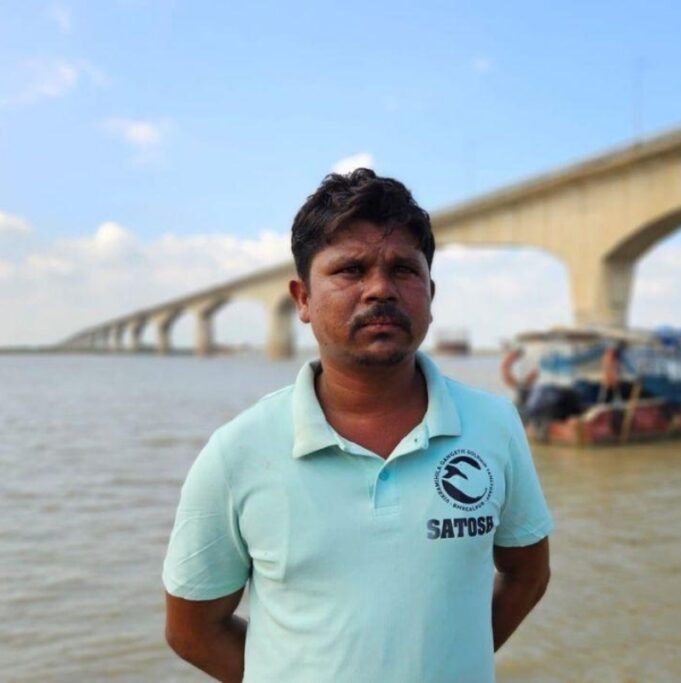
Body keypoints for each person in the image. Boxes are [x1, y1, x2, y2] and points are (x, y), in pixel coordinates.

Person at [162, 169, 553, 683]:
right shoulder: (237, 452)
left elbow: (527, 574)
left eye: (403, 270)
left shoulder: (494, 424)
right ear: (301, 299)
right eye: (350, 270)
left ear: (430, 292)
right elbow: (192, 629)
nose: (380, 290)